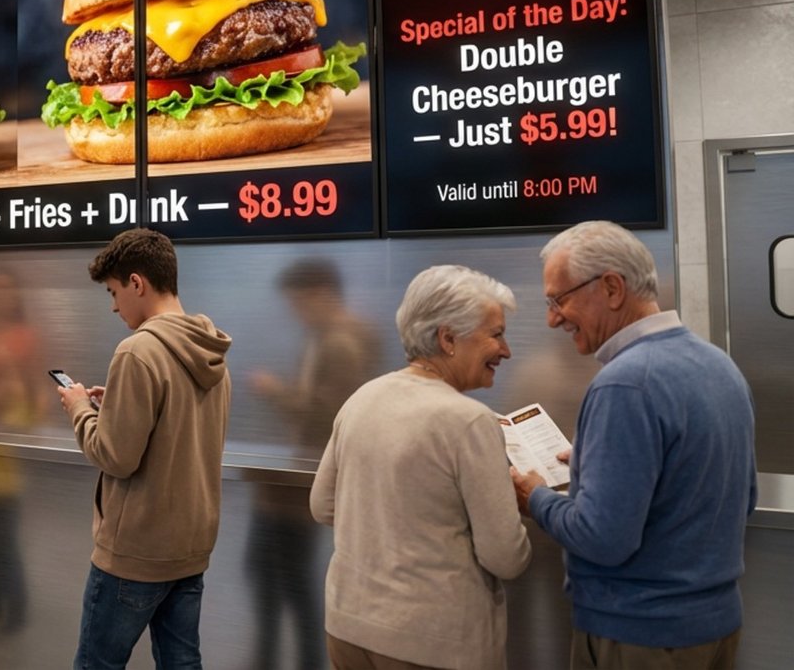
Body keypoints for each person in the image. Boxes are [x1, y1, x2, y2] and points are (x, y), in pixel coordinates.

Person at [513, 221, 757, 670]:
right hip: (715, 627)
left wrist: (536, 498)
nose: (552, 319)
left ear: (610, 288)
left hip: (641, 638)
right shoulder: (718, 365)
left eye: (559, 299)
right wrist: (595, 466)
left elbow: (603, 539)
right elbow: (741, 497)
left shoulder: (625, 384)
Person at [310, 264, 530, 670]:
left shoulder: (363, 397)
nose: (506, 350)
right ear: (448, 338)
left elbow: (322, 506)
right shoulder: (468, 421)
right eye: (496, 334)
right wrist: (525, 501)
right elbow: (506, 557)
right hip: (432, 642)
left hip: (347, 628)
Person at [54, 228, 232, 670]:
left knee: (97, 664)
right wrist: (113, 405)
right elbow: (175, 431)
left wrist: (79, 408)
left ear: (138, 283)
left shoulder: (138, 352)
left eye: (114, 292)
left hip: (135, 555)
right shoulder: (210, 351)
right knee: (181, 662)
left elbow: (116, 455)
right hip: (190, 547)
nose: (114, 305)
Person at [248, 258, 382, 669]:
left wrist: (275, 392)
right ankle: (271, 657)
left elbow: (327, 413)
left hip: (307, 481)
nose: (295, 312)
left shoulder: (342, 342)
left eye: (299, 302)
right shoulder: (327, 336)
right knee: (274, 575)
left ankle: (290, 660)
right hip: (301, 477)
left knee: (285, 579)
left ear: (322, 294)